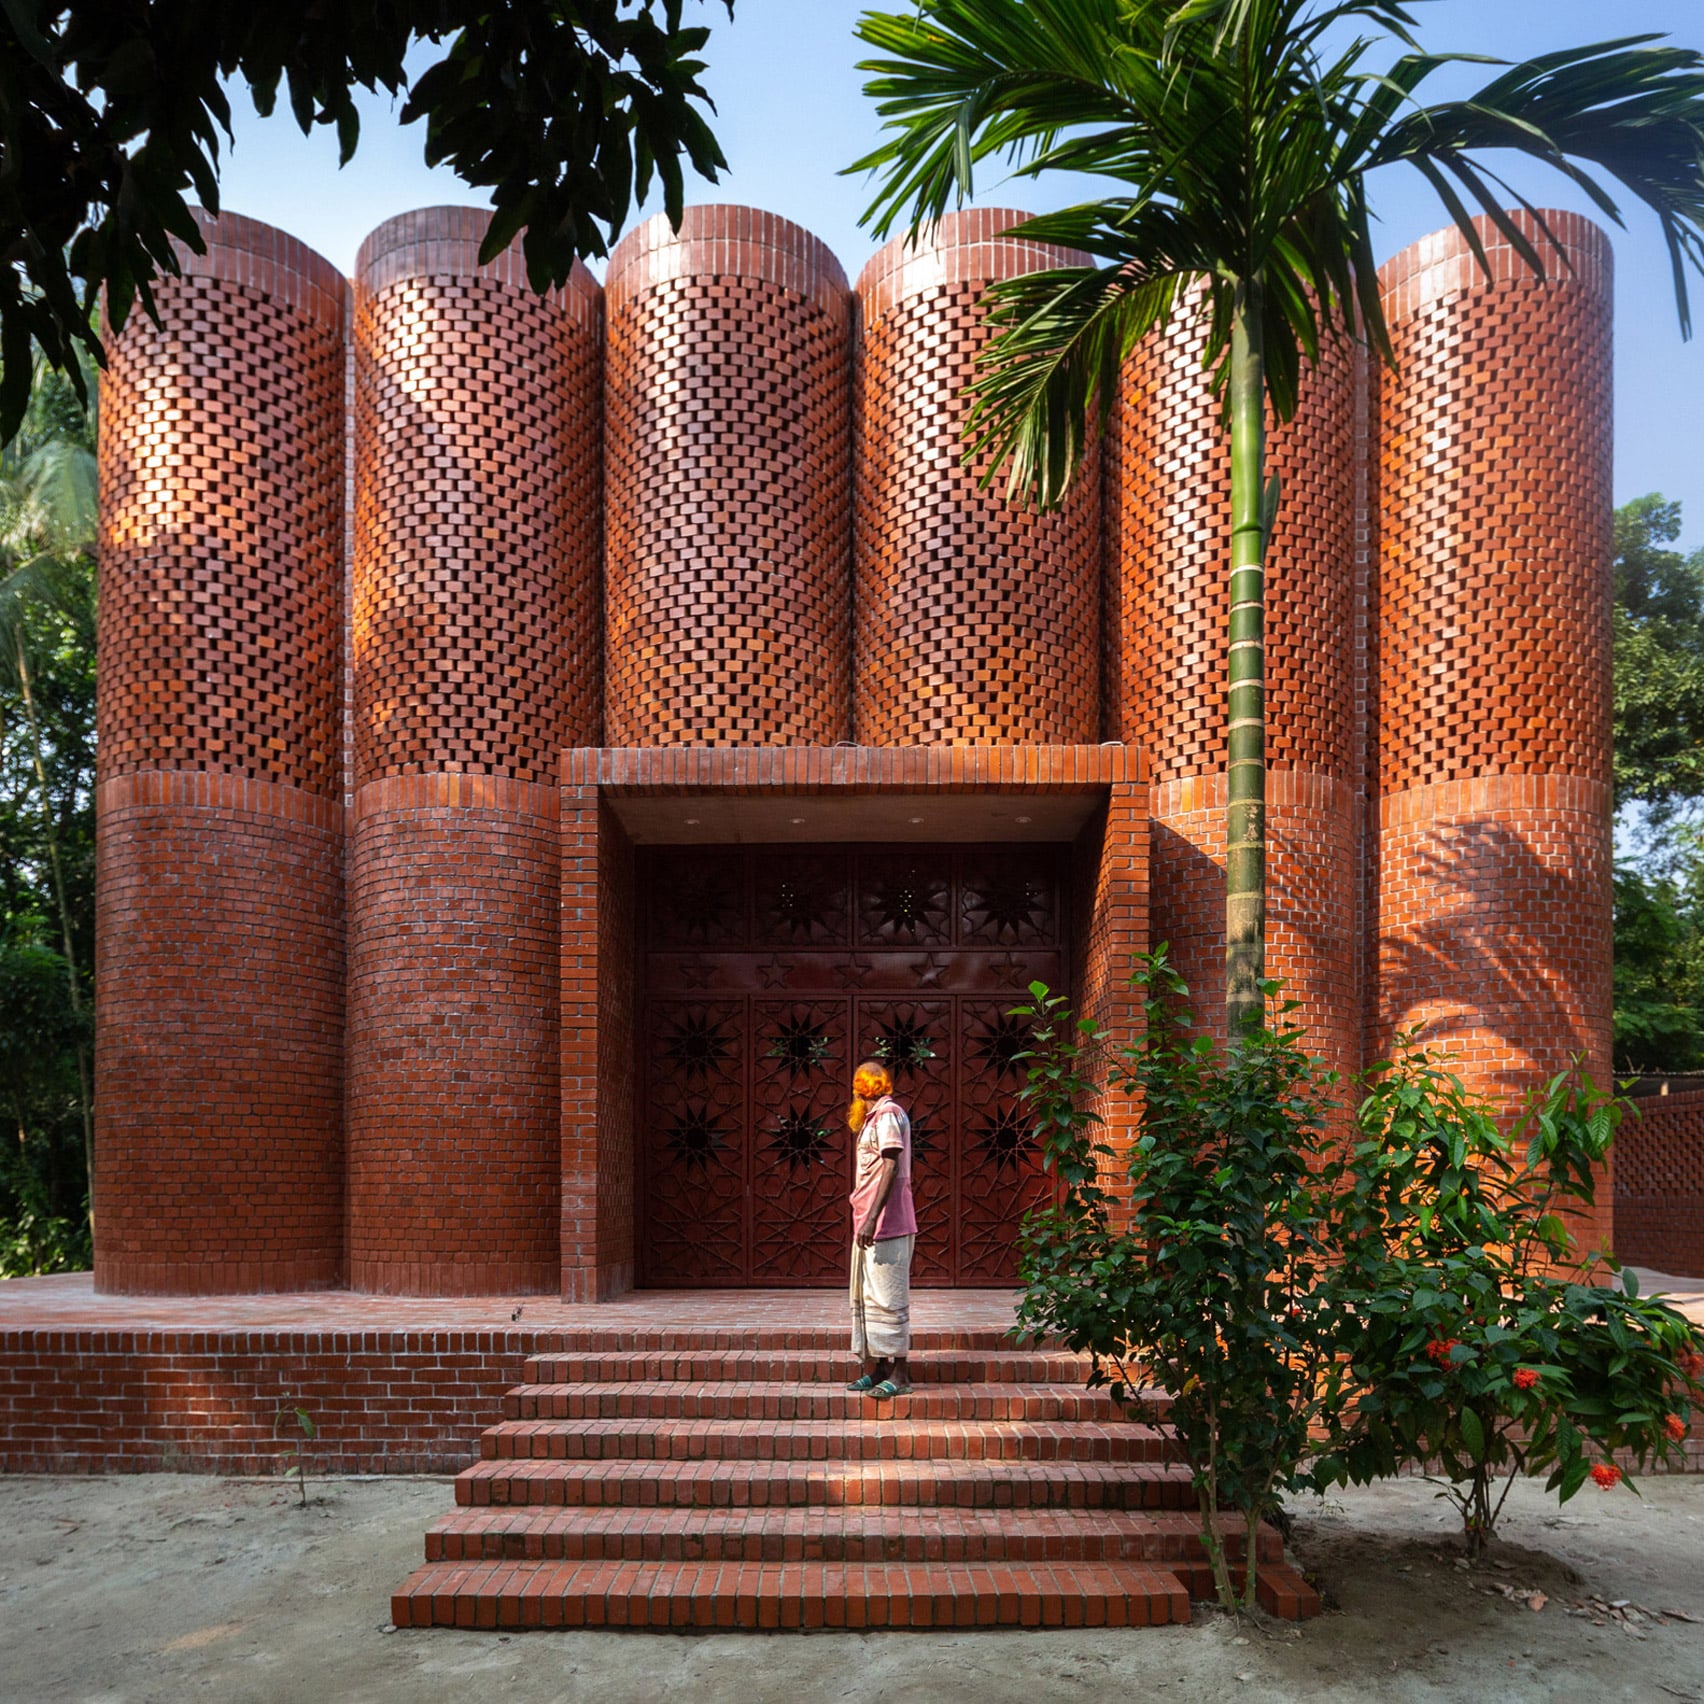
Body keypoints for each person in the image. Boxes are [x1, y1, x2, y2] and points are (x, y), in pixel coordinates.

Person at [845, 1059, 916, 1400]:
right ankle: (878, 1369)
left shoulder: (888, 1114)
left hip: (887, 1223)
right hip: (870, 1222)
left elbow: (891, 1161)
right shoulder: (876, 1118)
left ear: (863, 1087)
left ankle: (900, 1374)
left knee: (890, 1299)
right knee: (870, 1298)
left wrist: (874, 1217)